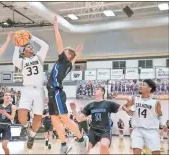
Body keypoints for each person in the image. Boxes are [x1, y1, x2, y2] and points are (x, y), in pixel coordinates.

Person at [46, 16, 87, 154]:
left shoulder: (64, 61)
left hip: (57, 91)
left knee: (63, 118)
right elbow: (74, 60)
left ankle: (81, 139)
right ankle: (64, 144)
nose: (62, 52)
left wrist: (56, 26)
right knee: (54, 120)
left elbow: (59, 41)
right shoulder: (68, 63)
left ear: (67, 55)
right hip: (51, 92)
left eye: (66, 52)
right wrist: (78, 52)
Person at [12, 30, 49, 149]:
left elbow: (45, 46)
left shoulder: (39, 57)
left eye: (31, 46)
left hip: (39, 90)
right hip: (27, 90)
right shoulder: (22, 61)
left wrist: (33, 38)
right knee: (21, 115)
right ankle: (26, 127)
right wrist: (16, 46)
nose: (31, 47)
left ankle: (32, 135)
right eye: (28, 46)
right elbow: (14, 59)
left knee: (38, 116)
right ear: (24, 51)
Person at [70, 86, 130, 154]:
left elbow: (123, 107)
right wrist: (73, 109)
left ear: (103, 92)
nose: (95, 90)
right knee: (84, 148)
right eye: (95, 89)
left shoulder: (108, 103)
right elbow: (79, 119)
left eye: (97, 89)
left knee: (103, 146)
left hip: (105, 130)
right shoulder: (90, 105)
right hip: (93, 130)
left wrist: (127, 102)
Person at [123, 79, 167, 155]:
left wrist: (163, 124)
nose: (140, 86)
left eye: (143, 85)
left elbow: (160, 114)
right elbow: (124, 106)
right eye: (140, 84)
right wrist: (126, 109)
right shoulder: (134, 99)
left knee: (156, 153)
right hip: (137, 130)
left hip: (151, 130)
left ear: (149, 89)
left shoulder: (155, 102)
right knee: (136, 151)